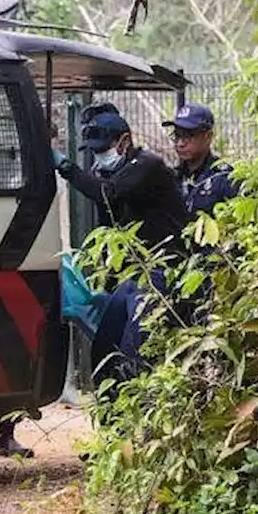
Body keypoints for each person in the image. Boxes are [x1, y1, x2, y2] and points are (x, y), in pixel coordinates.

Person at [53, 105, 188, 383]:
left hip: (159, 272)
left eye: (103, 150)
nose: (99, 157)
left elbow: (107, 194)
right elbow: (110, 231)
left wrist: (64, 166)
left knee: (133, 354)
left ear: (124, 141)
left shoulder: (147, 166)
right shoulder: (110, 173)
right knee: (105, 349)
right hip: (131, 277)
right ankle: (111, 417)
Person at [162, 103, 240, 219]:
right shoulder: (172, 178)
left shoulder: (224, 178)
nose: (180, 143)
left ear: (208, 136)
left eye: (188, 136)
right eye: (177, 136)